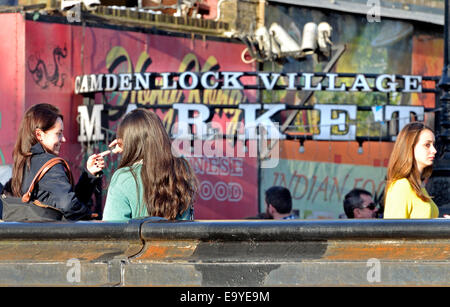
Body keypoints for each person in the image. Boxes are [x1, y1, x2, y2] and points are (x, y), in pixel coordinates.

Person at [4, 103, 105, 220]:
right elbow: (68, 206)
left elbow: (59, 203)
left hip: (24, 235)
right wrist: (90, 215)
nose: (63, 139)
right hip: (50, 236)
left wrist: (89, 175)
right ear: (39, 135)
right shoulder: (50, 164)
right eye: (58, 133)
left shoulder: (23, 163)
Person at [102, 108, 198, 221]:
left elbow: (112, 230)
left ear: (130, 142)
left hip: (138, 239)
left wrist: (127, 148)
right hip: (180, 238)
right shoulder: (180, 168)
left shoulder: (123, 178)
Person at [383, 122, 439, 219]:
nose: (434, 150)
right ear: (410, 147)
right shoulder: (401, 185)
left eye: (433, 144)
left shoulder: (418, 185)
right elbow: (393, 231)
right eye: (427, 145)